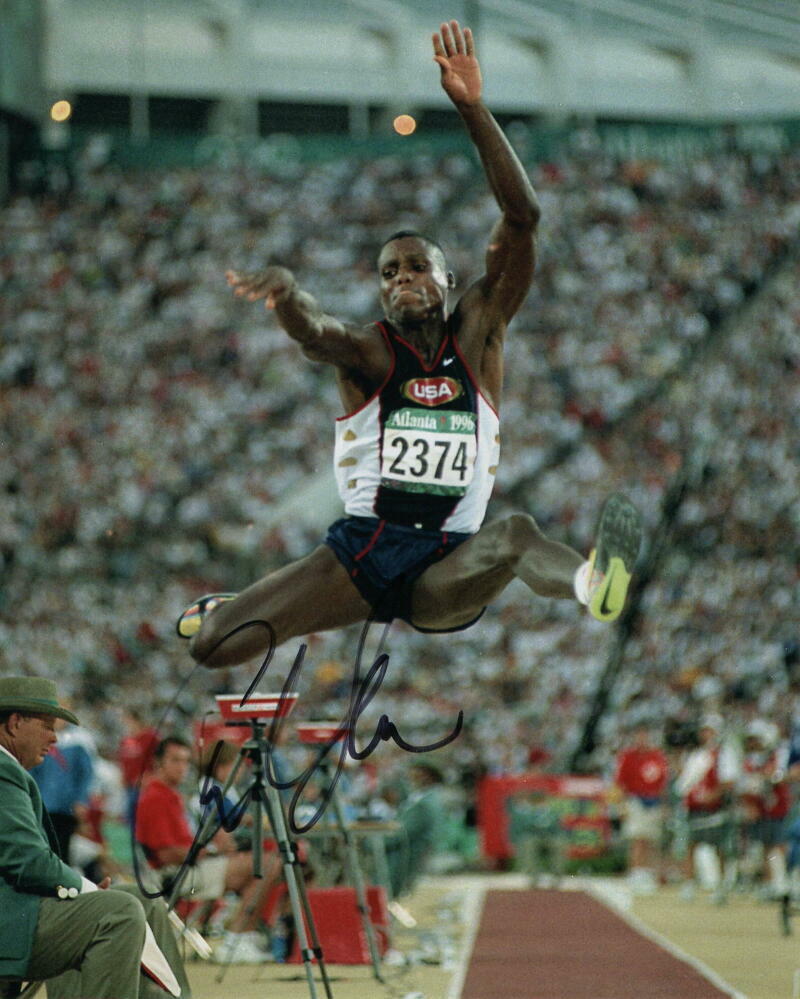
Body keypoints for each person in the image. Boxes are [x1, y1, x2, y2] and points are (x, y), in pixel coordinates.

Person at [177, 19, 643, 671]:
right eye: (389, 273)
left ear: (450, 280)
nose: (404, 279)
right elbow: (316, 330)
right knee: (211, 646)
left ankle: (591, 586)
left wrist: (474, 109)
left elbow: (525, 218)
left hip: (449, 565)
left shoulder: (481, 331)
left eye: (417, 265)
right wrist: (286, 293)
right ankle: (262, 604)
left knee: (513, 533)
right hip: (361, 554)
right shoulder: (369, 353)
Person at [0, 675, 187, 999]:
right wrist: (83, 888)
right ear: (15, 723)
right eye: (47, 726)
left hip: (20, 908)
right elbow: (27, 862)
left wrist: (79, 889)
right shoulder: (3, 771)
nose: (54, 738)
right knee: (119, 911)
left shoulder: (10, 769)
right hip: (12, 920)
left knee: (146, 902)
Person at [135, 736, 282, 965]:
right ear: (158, 763)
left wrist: (213, 850)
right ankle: (236, 939)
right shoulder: (156, 797)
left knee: (264, 865)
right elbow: (167, 855)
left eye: (185, 761)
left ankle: (240, 937)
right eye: (175, 761)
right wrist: (212, 850)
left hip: (189, 866)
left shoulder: (170, 794)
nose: (182, 767)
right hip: (175, 874)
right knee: (268, 864)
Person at [614, 723, 669, 895]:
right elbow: (620, 784)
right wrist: (621, 806)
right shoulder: (628, 757)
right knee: (637, 838)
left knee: (652, 839)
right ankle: (636, 872)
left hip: (654, 800)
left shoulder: (657, 756)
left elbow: (663, 783)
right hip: (635, 799)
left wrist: (665, 804)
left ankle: (649, 872)